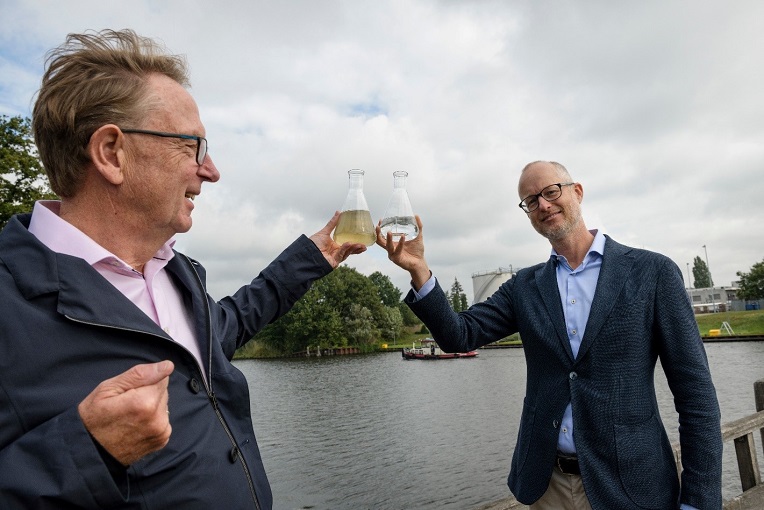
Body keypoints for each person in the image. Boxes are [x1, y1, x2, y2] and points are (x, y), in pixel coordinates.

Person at [0, 29, 365, 509]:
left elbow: (223, 329)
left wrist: (312, 258)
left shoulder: (177, 271)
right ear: (112, 152)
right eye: (193, 146)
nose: (211, 170)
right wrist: (85, 451)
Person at [377, 161, 722, 509]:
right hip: (547, 486)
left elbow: (696, 397)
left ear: (577, 192)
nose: (542, 204)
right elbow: (459, 336)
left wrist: (699, 500)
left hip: (631, 486)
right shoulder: (525, 287)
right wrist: (420, 269)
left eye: (551, 191)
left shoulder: (652, 273)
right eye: (530, 201)